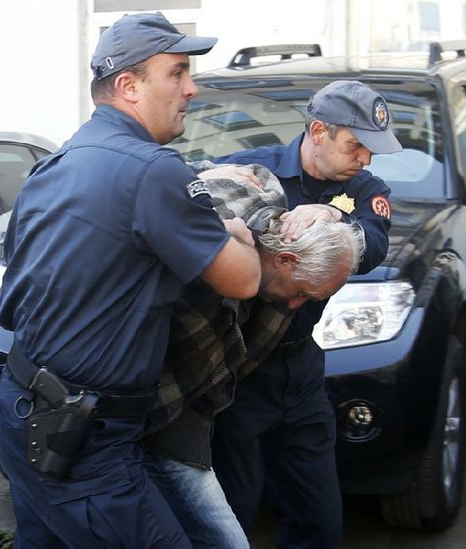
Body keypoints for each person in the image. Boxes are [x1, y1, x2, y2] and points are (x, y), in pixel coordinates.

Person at [0, 12, 261, 548]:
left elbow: (11, 299)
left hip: (21, 411)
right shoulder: (153, 170)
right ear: (129, 86)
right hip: (81, 440)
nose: (192, 87)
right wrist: (237, 231)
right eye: (178, 73)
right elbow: (245, 279)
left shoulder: (60, 161)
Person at [211, 80, 402, 548]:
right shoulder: (256, 173)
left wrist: (337, 221)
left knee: (318, 517)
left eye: (371, 150)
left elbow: (375, 242)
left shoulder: (362, 189)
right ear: (318, 131)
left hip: (301, 372)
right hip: (240, 373)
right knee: (234, 508)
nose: (365, 159)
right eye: (355, 145)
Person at [138, 163, 365, 548]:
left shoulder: (279, 226)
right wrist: (197, 170)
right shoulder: (206, 238)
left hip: (197, 411)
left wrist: (335, 211)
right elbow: (147, 183)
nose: (296, 306)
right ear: (284, 260)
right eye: (302, 293)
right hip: (132, 408)